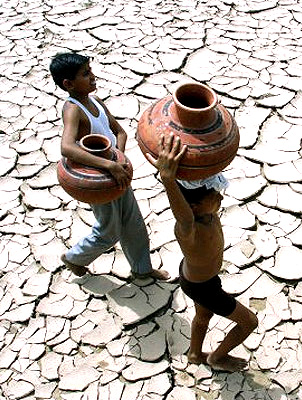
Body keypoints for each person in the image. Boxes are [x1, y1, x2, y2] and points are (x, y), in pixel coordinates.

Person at [49, 52, 169, 281]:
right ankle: (75, 258)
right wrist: (109, 165)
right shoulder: (73, 109)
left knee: (134, 226)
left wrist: (119, 158)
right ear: (68, 84)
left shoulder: (96, 102)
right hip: (98, 181)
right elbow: (67, 147)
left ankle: (142, 270)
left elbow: (119, 132)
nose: (93, 77)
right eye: (86, 74)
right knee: (109, 230)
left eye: (91, 71)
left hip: (117, 174)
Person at [146, 133, 258, 372]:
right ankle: (217, 358)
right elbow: (182, 214)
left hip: (196, 279)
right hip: (203, 286)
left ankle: (195, 354)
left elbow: (202, 174)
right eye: (214, 194)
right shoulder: (189, 227)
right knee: (249, 322)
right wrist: (167, 178)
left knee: (203, 316)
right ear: (194, 206)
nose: (220, 195)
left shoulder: (206, 212)